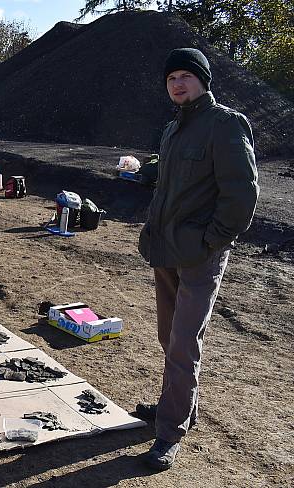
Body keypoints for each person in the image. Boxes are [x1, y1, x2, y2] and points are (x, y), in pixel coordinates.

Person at [137, 48, 259, 471]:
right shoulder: (173, 129)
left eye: (186, 76)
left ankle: (169, 432)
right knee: (168, 335)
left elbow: (242, 196)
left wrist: (212, 242)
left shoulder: (226, 124)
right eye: (172, 78)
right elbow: (170, 186)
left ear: (204, 81)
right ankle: (179, 406)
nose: (178, 84)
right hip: (166, 248)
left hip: (200, 255)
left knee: (184, 342)